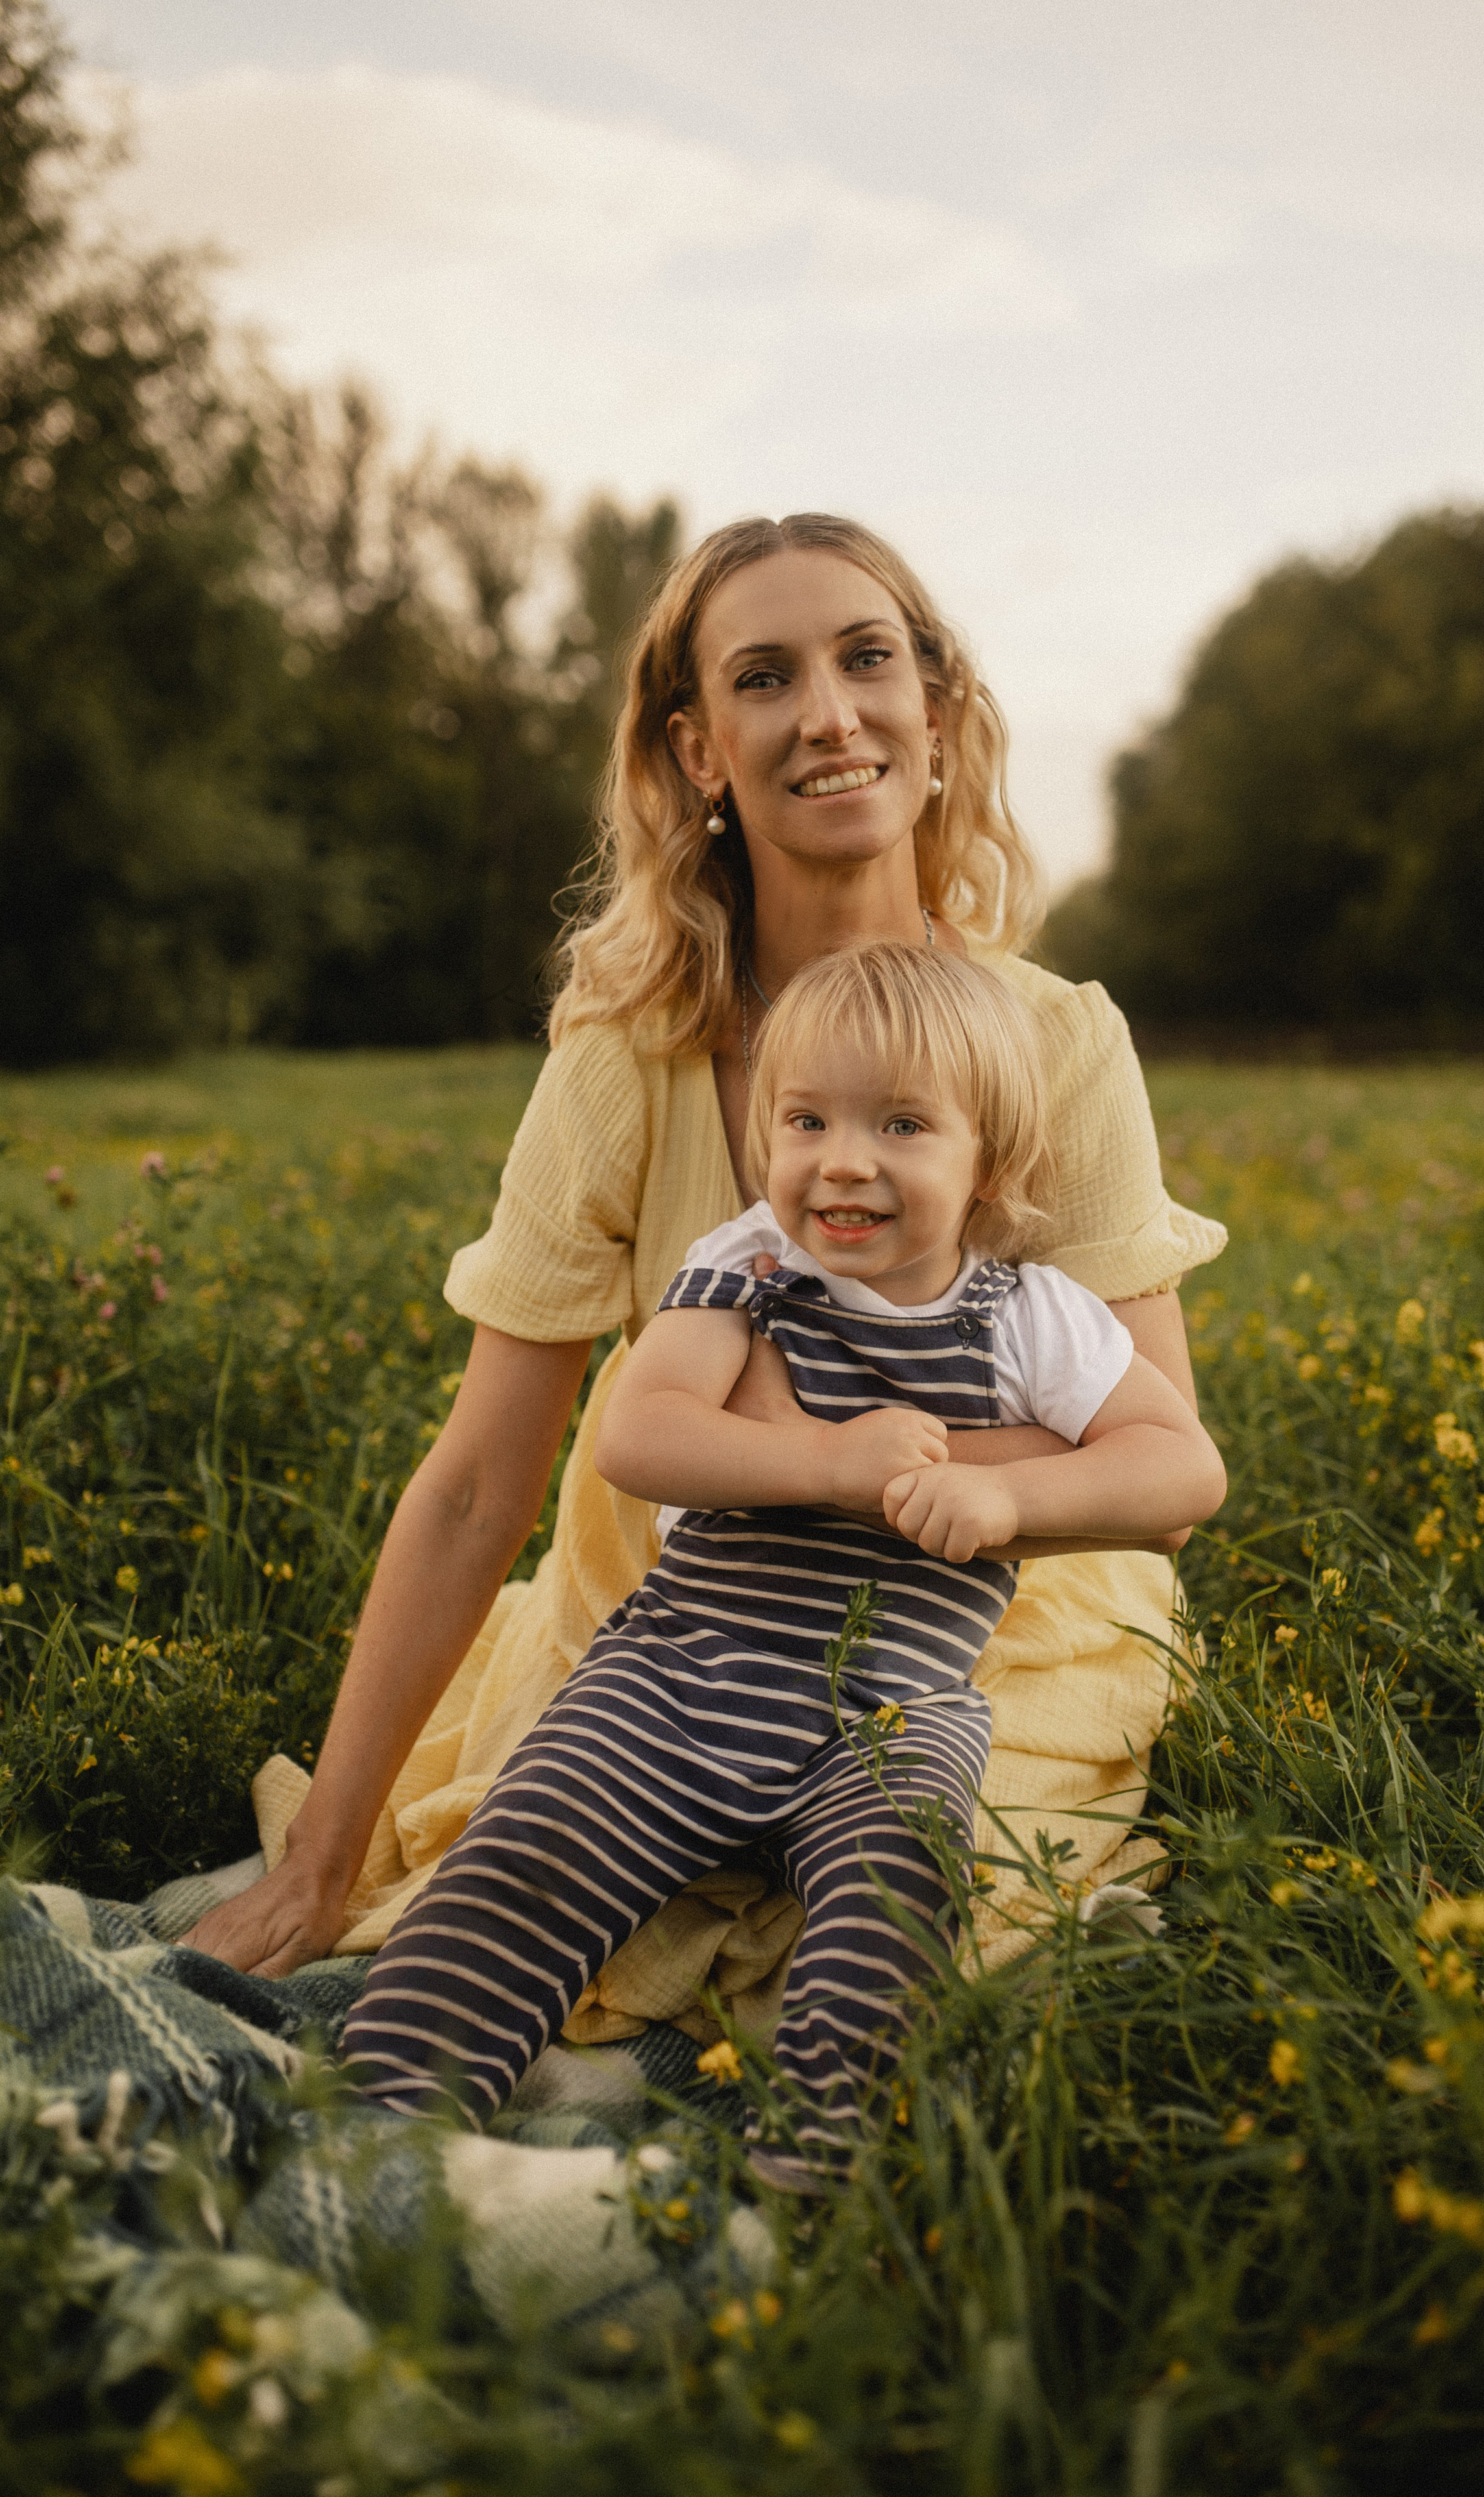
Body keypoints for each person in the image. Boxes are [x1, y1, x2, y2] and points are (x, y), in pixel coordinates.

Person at [184, 509, 1226, 1990]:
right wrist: (319, 1863)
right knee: (528, 1903)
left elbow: (1161, 1475)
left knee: (924, 1927)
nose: (827, 714)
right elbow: (483, 1476)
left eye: (867, 660)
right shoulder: (627, 1058)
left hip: (996, 1608)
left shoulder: (1056, 1040)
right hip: (686, 1605)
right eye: (763, 677)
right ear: (695, 752)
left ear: (933, 715)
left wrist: (866, 1462)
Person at [338, 944, 1226, 2173]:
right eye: (805, 1119)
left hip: (898, 1703)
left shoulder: (1031, 1317)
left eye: (903, 1124)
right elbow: (640, 1435)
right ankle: (384, 2113)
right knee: (529, 1846)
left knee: (899, 1899)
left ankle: (817, 2152)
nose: (843, 1159)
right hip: (687, 1671)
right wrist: (828, 1462)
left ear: (989, 1165)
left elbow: (1184, 1469)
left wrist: (1006, 1494)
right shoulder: (748, 1266)